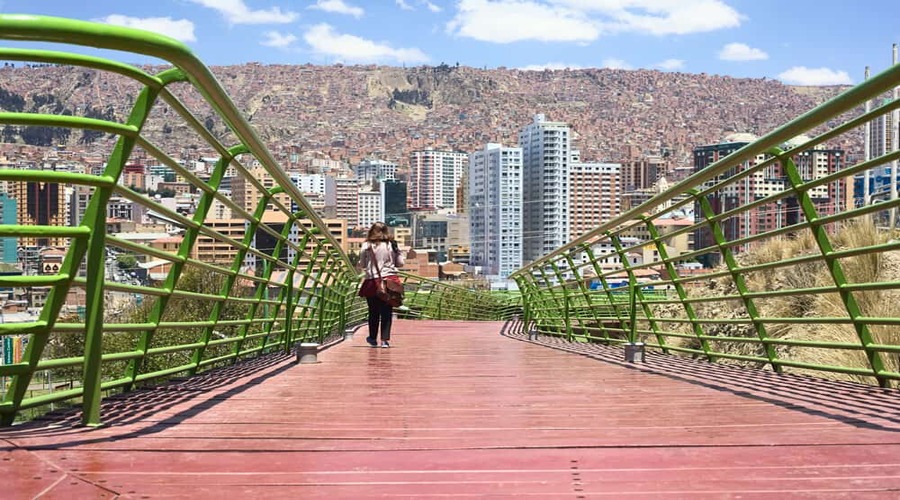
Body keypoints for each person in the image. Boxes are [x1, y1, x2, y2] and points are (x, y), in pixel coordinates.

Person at [358, 221, 404, 348]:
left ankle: (372, 338)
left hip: (372, 281)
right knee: (386, 311)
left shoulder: (366, 245)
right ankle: (384, 340)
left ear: (371, 231)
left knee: (373, 311)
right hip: (389, 280)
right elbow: (400, 263)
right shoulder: (392, 244)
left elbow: (362, 264)